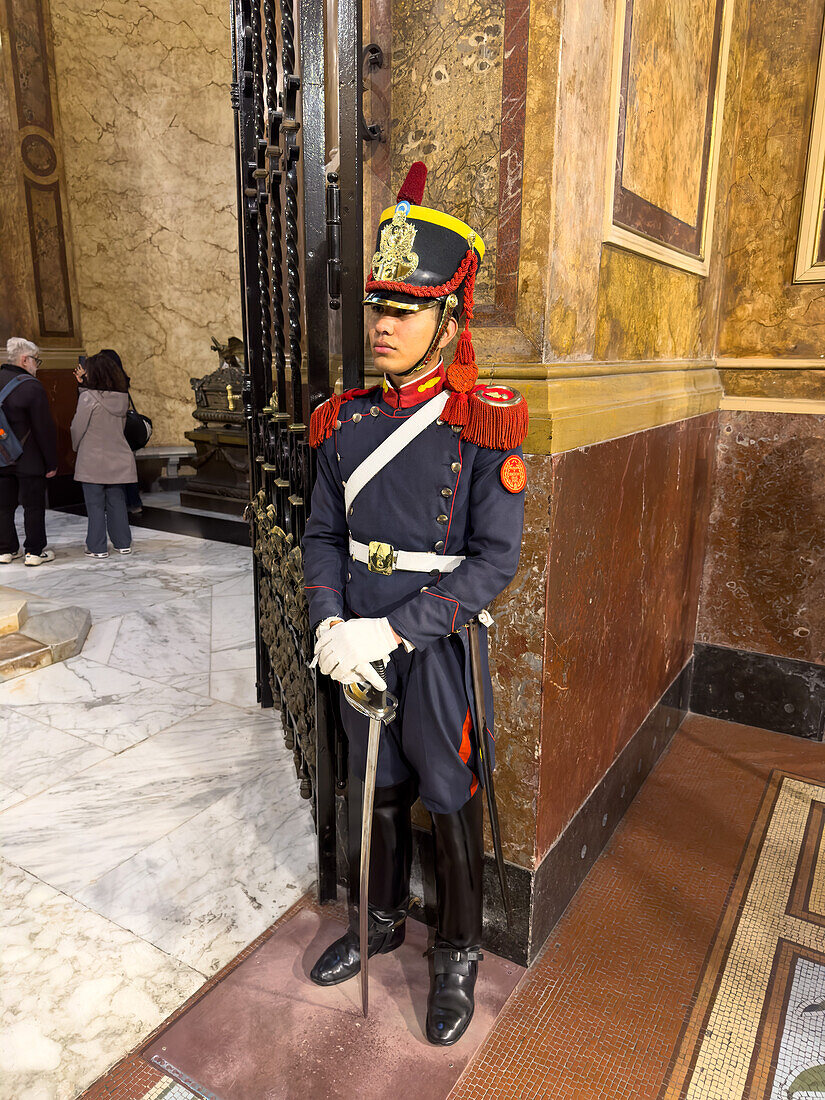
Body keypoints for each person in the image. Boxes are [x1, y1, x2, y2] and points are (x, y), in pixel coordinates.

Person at [302, 162, 528, 1045]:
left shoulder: (484, 421)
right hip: (351, 641)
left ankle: (459, 949)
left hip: (429, 648)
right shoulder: (342, 421)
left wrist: (390, 628)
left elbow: (492, 563)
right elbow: (321, 533)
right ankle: (382, 921)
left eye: (404, 308)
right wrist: (329, 622)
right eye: (376, 308)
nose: (383, 325)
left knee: (447, 792)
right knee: (378, 790)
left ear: (448, 317)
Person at [71, 351, 136, 558]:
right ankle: (123, 543)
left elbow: (77, 428)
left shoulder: (87, 398)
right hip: (118, 457)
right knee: (117, 501)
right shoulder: (122, 398)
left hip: (92, 459)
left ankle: (97, 547)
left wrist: (76, 448)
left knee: (95, 504)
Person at [0, 337, 58, 566]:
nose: (36, 365)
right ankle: (34, 552)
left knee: (3, 507)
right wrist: (51, 463)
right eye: (36, 360)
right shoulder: (31, 386)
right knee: (33, 507)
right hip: (29, 459)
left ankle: (5, 550)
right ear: (25, 360)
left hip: (0, 459)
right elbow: (44, 429)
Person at [99, 348, 142, 515]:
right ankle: (134, 503)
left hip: (111, 432)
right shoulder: (122, 381)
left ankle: (118, 503)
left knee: (115, 471)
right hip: (124, 432)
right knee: (127, 470)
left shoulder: (102, 386)